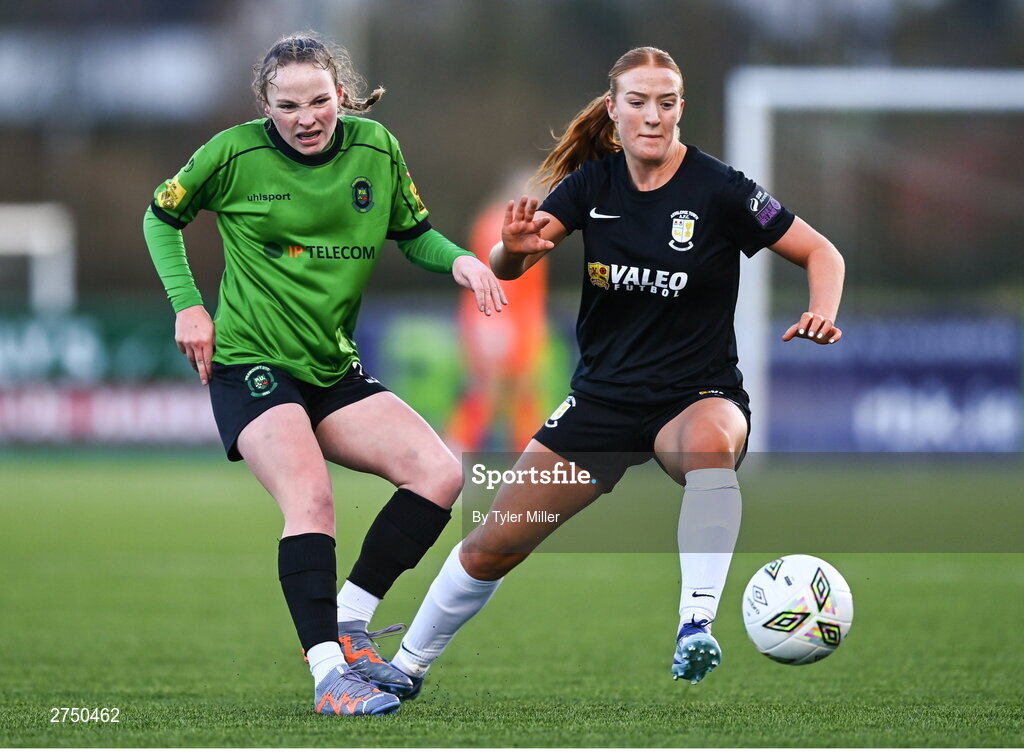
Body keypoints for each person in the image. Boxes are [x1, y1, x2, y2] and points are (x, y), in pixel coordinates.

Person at [387, 46, 845, 698]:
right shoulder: (591, 186)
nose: (652, 116)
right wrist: (508, 251)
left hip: (695, 395)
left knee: (712, 446)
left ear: (681, 109)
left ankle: (696, 624)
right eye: (638, 101)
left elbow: (820, 252)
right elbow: (514, 259)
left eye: (666, 102)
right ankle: (404, 667)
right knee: (491, 545)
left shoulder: (722, 189)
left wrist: (822, 310)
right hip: (602, 401)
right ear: (614, 109)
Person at [142, 33, 506, 716]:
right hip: (251, 364)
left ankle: (350, 618)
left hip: (331, 366)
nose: (306, 117)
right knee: (311, 502)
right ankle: (328, 676)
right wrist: (189, 307)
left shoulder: (376, 147)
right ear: (265, 105)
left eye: (319, 100)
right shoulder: (231, 153)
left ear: (340, 92)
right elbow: (161, 217)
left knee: (442, 473)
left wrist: (460, 261)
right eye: (288, 106)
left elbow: (412, 232)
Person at [446, 179, 549, 452]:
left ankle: (528, 460)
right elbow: (497, 277)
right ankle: (456, 450)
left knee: (519, 393)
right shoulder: (497, 224)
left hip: (515, 322)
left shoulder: (517, 225)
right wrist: (492, 325)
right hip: (500, 319)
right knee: (489, 389)